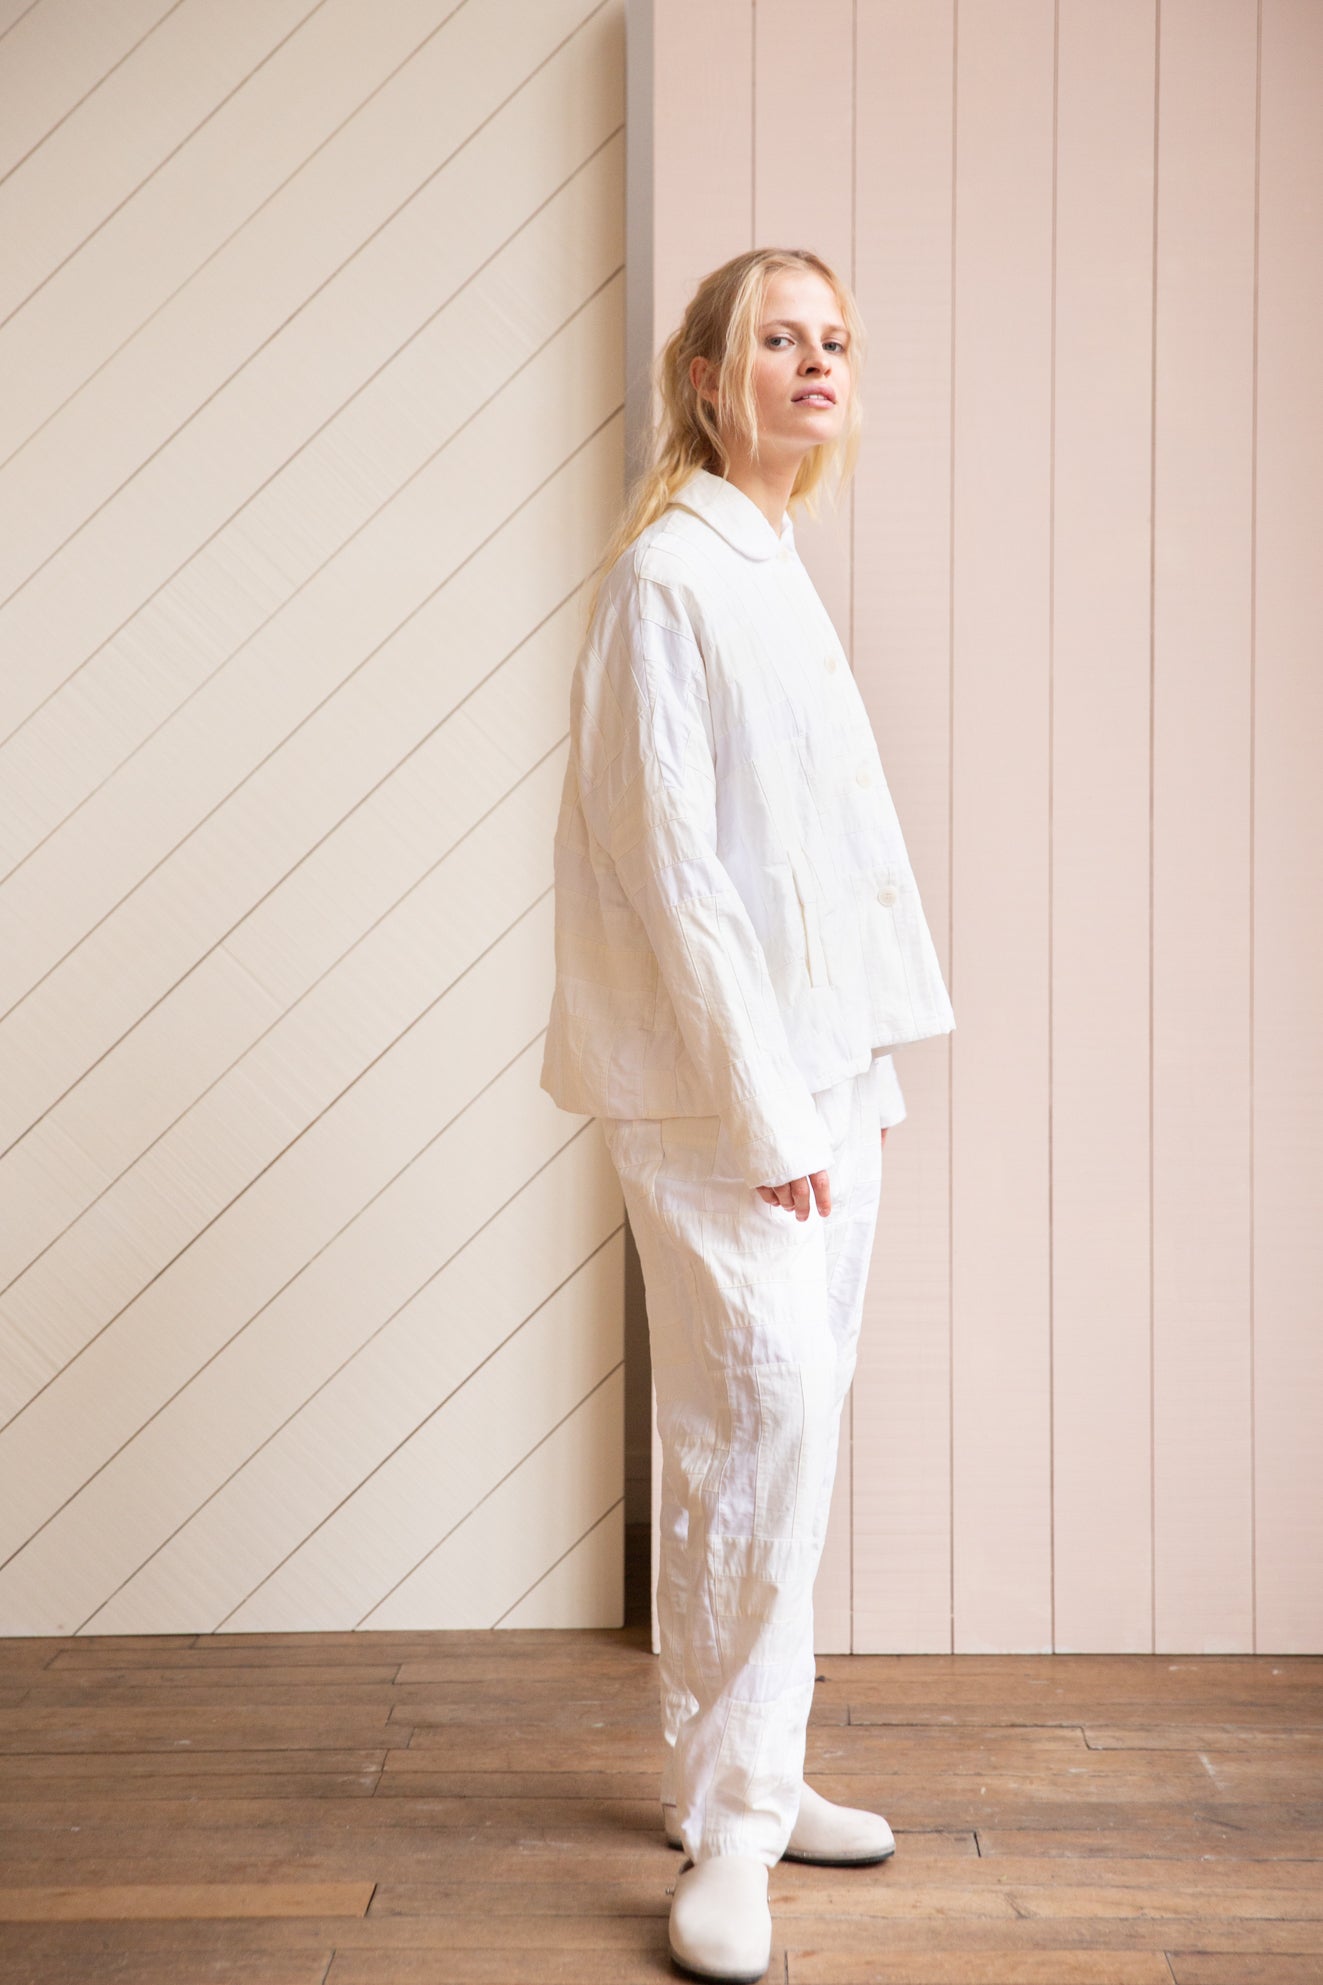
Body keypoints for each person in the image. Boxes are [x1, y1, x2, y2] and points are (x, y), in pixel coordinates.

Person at [539, 246, 955, 1982]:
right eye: (778, 337)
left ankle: (753, 1775)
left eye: (834, 337)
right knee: (748, 1428)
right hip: (725, 1101)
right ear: (708, 378)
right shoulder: (671, 578)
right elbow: (675, 876)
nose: (815, 360)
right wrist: (775, 1113)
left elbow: (821, 857)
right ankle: (729, 1830)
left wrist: (857, 1075)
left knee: (795, 1435)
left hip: (826, 1080)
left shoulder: (773, 564)